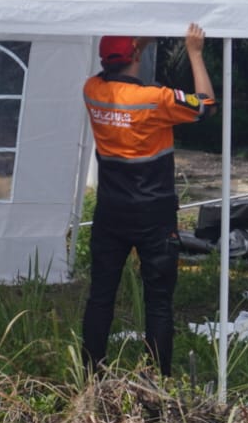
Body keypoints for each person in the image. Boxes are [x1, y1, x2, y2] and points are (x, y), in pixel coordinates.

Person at [81, 23, 214, 377]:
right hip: (154, 215)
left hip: (111, 213)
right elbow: (206, 105)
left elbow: (118, 61)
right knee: (158, 302)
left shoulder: (92, 90)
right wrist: (195, 53)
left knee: (101, 297)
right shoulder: (156, 99)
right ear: (137, 55)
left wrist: (139, 41)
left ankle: (90, 376)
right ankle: (157, 381)